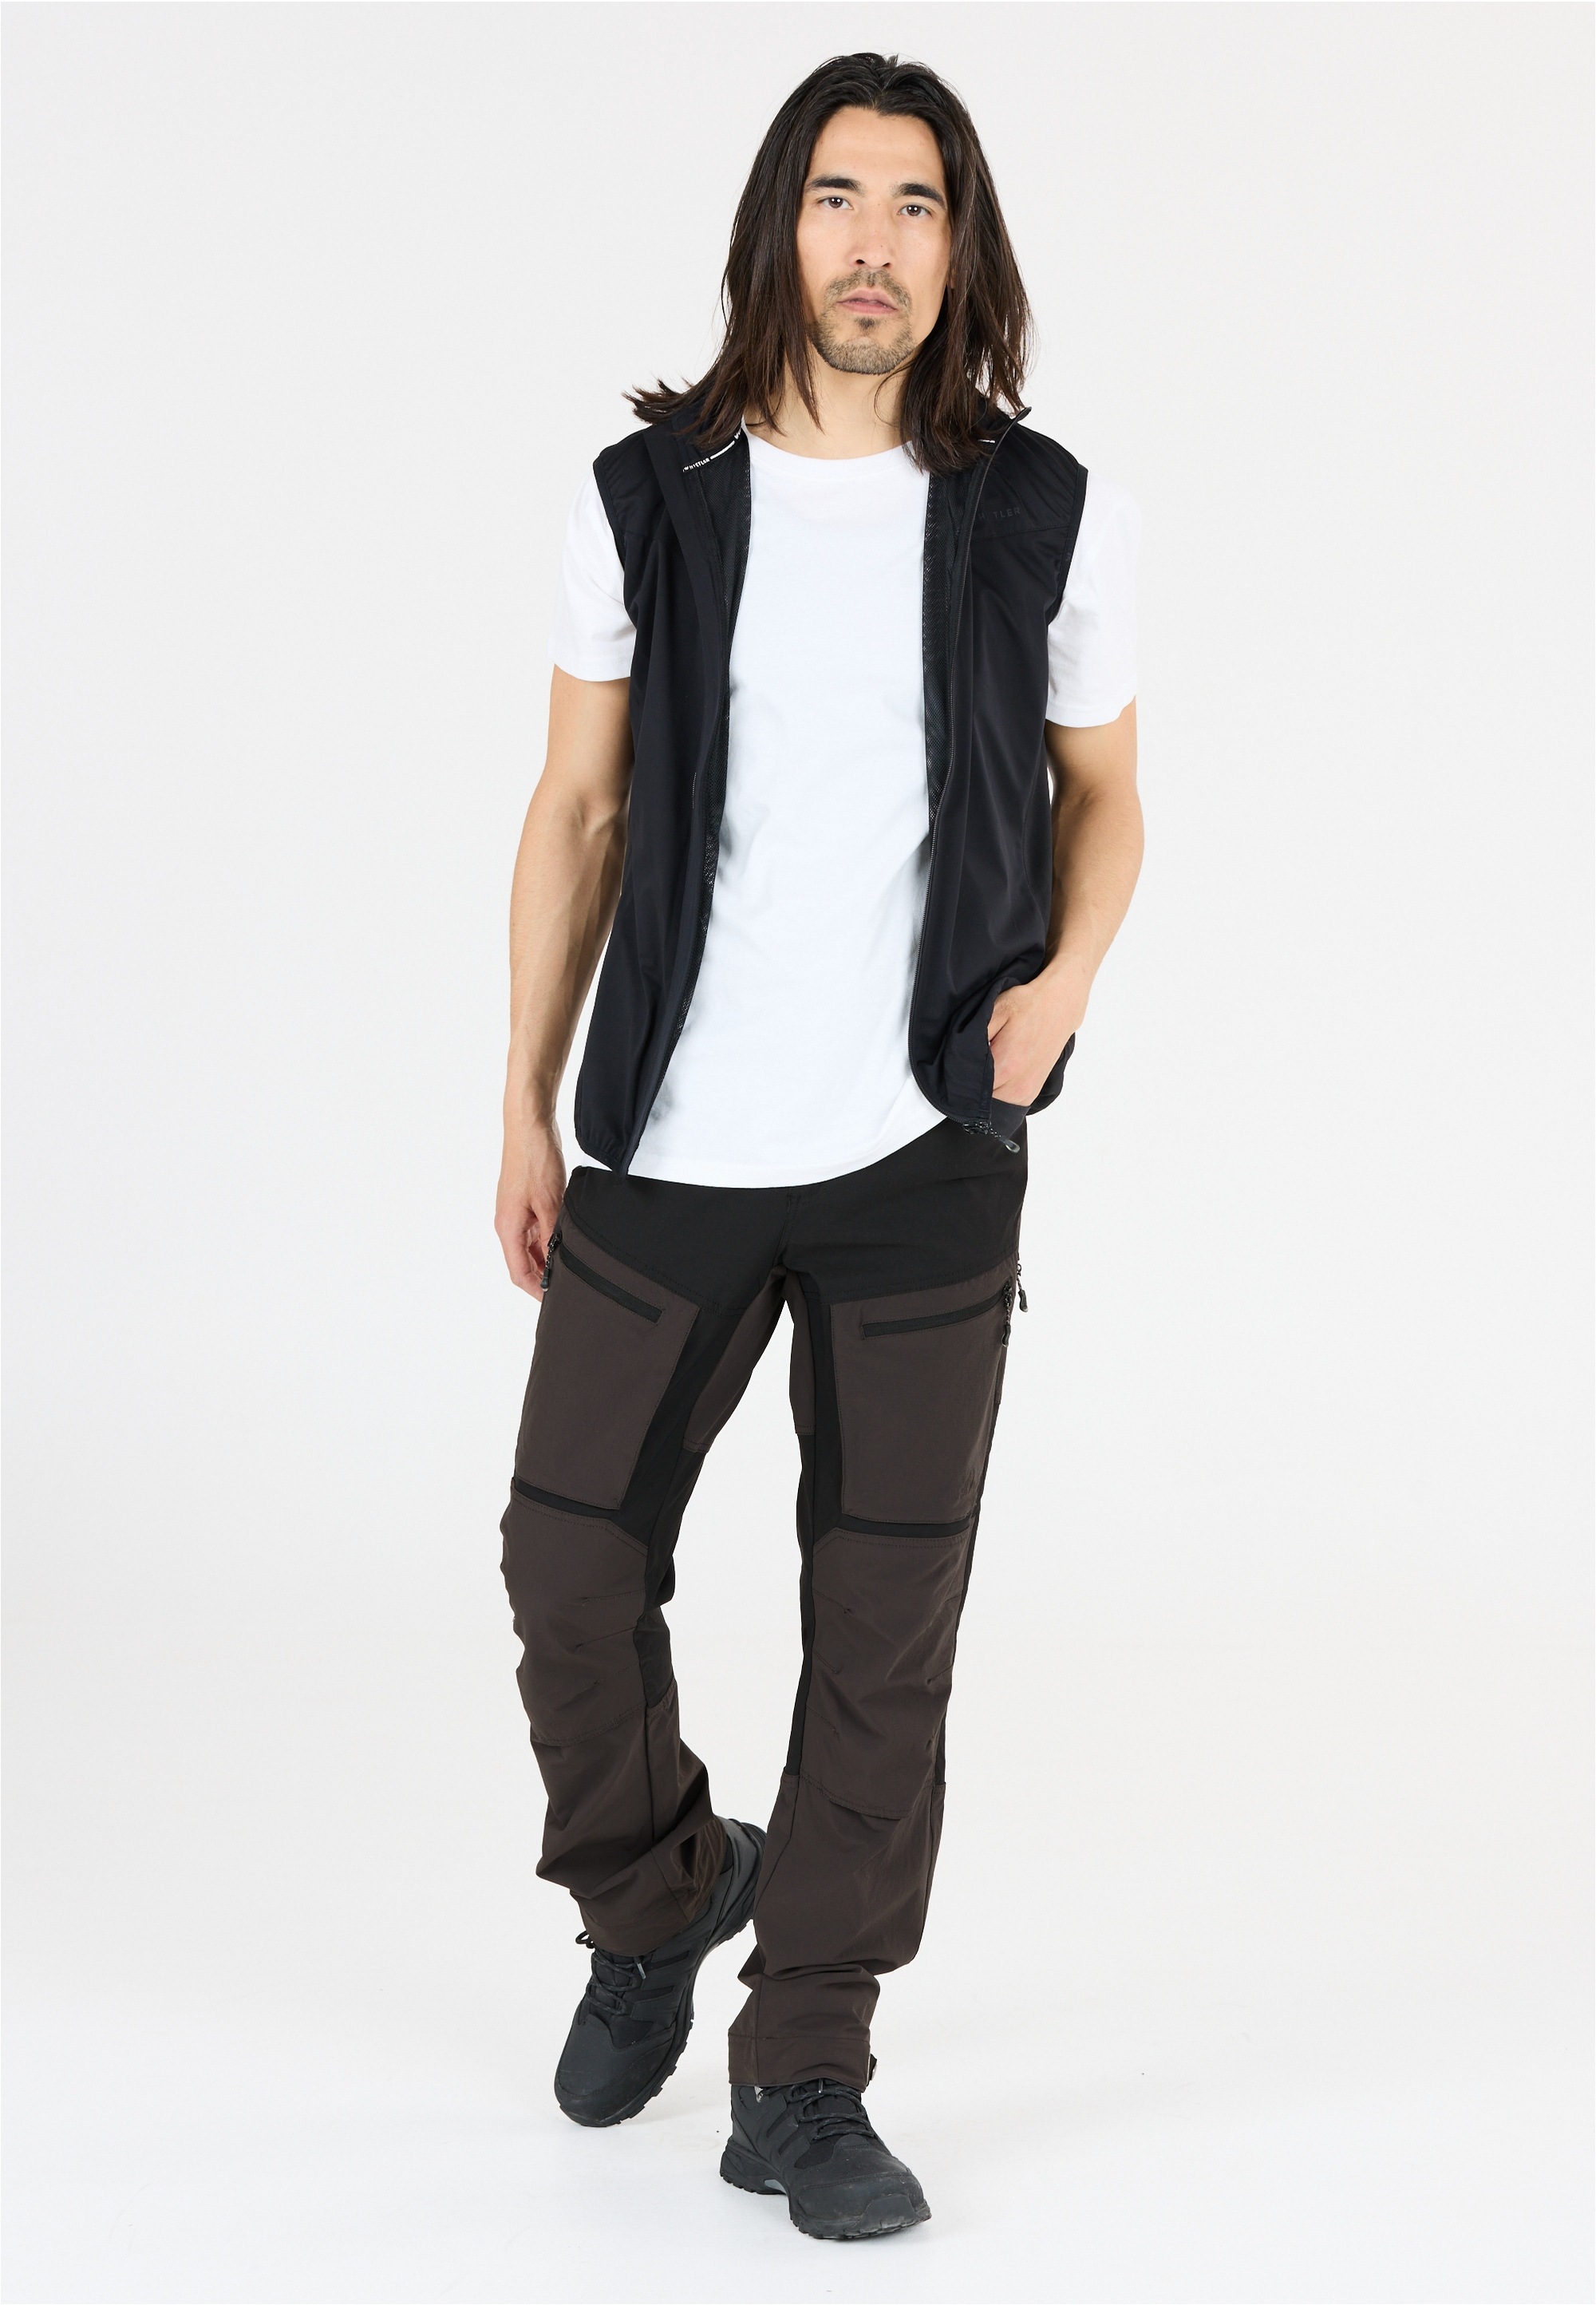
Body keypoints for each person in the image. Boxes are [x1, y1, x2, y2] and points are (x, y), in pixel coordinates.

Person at [494, 50, 1143, 2244]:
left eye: (919, 205)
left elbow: (1107, 796)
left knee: (882, 1627)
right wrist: (523, 1096)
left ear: (963, 251)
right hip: (672, 1136)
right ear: (781, 224)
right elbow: (580, 807)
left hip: (924, 1154)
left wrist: (1057, 997)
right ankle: (659, 1892)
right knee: (568, 1562)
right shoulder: (647, 498)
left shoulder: (1041, 509)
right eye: (841, 197)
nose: (876, 245)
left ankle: (806, 2069)